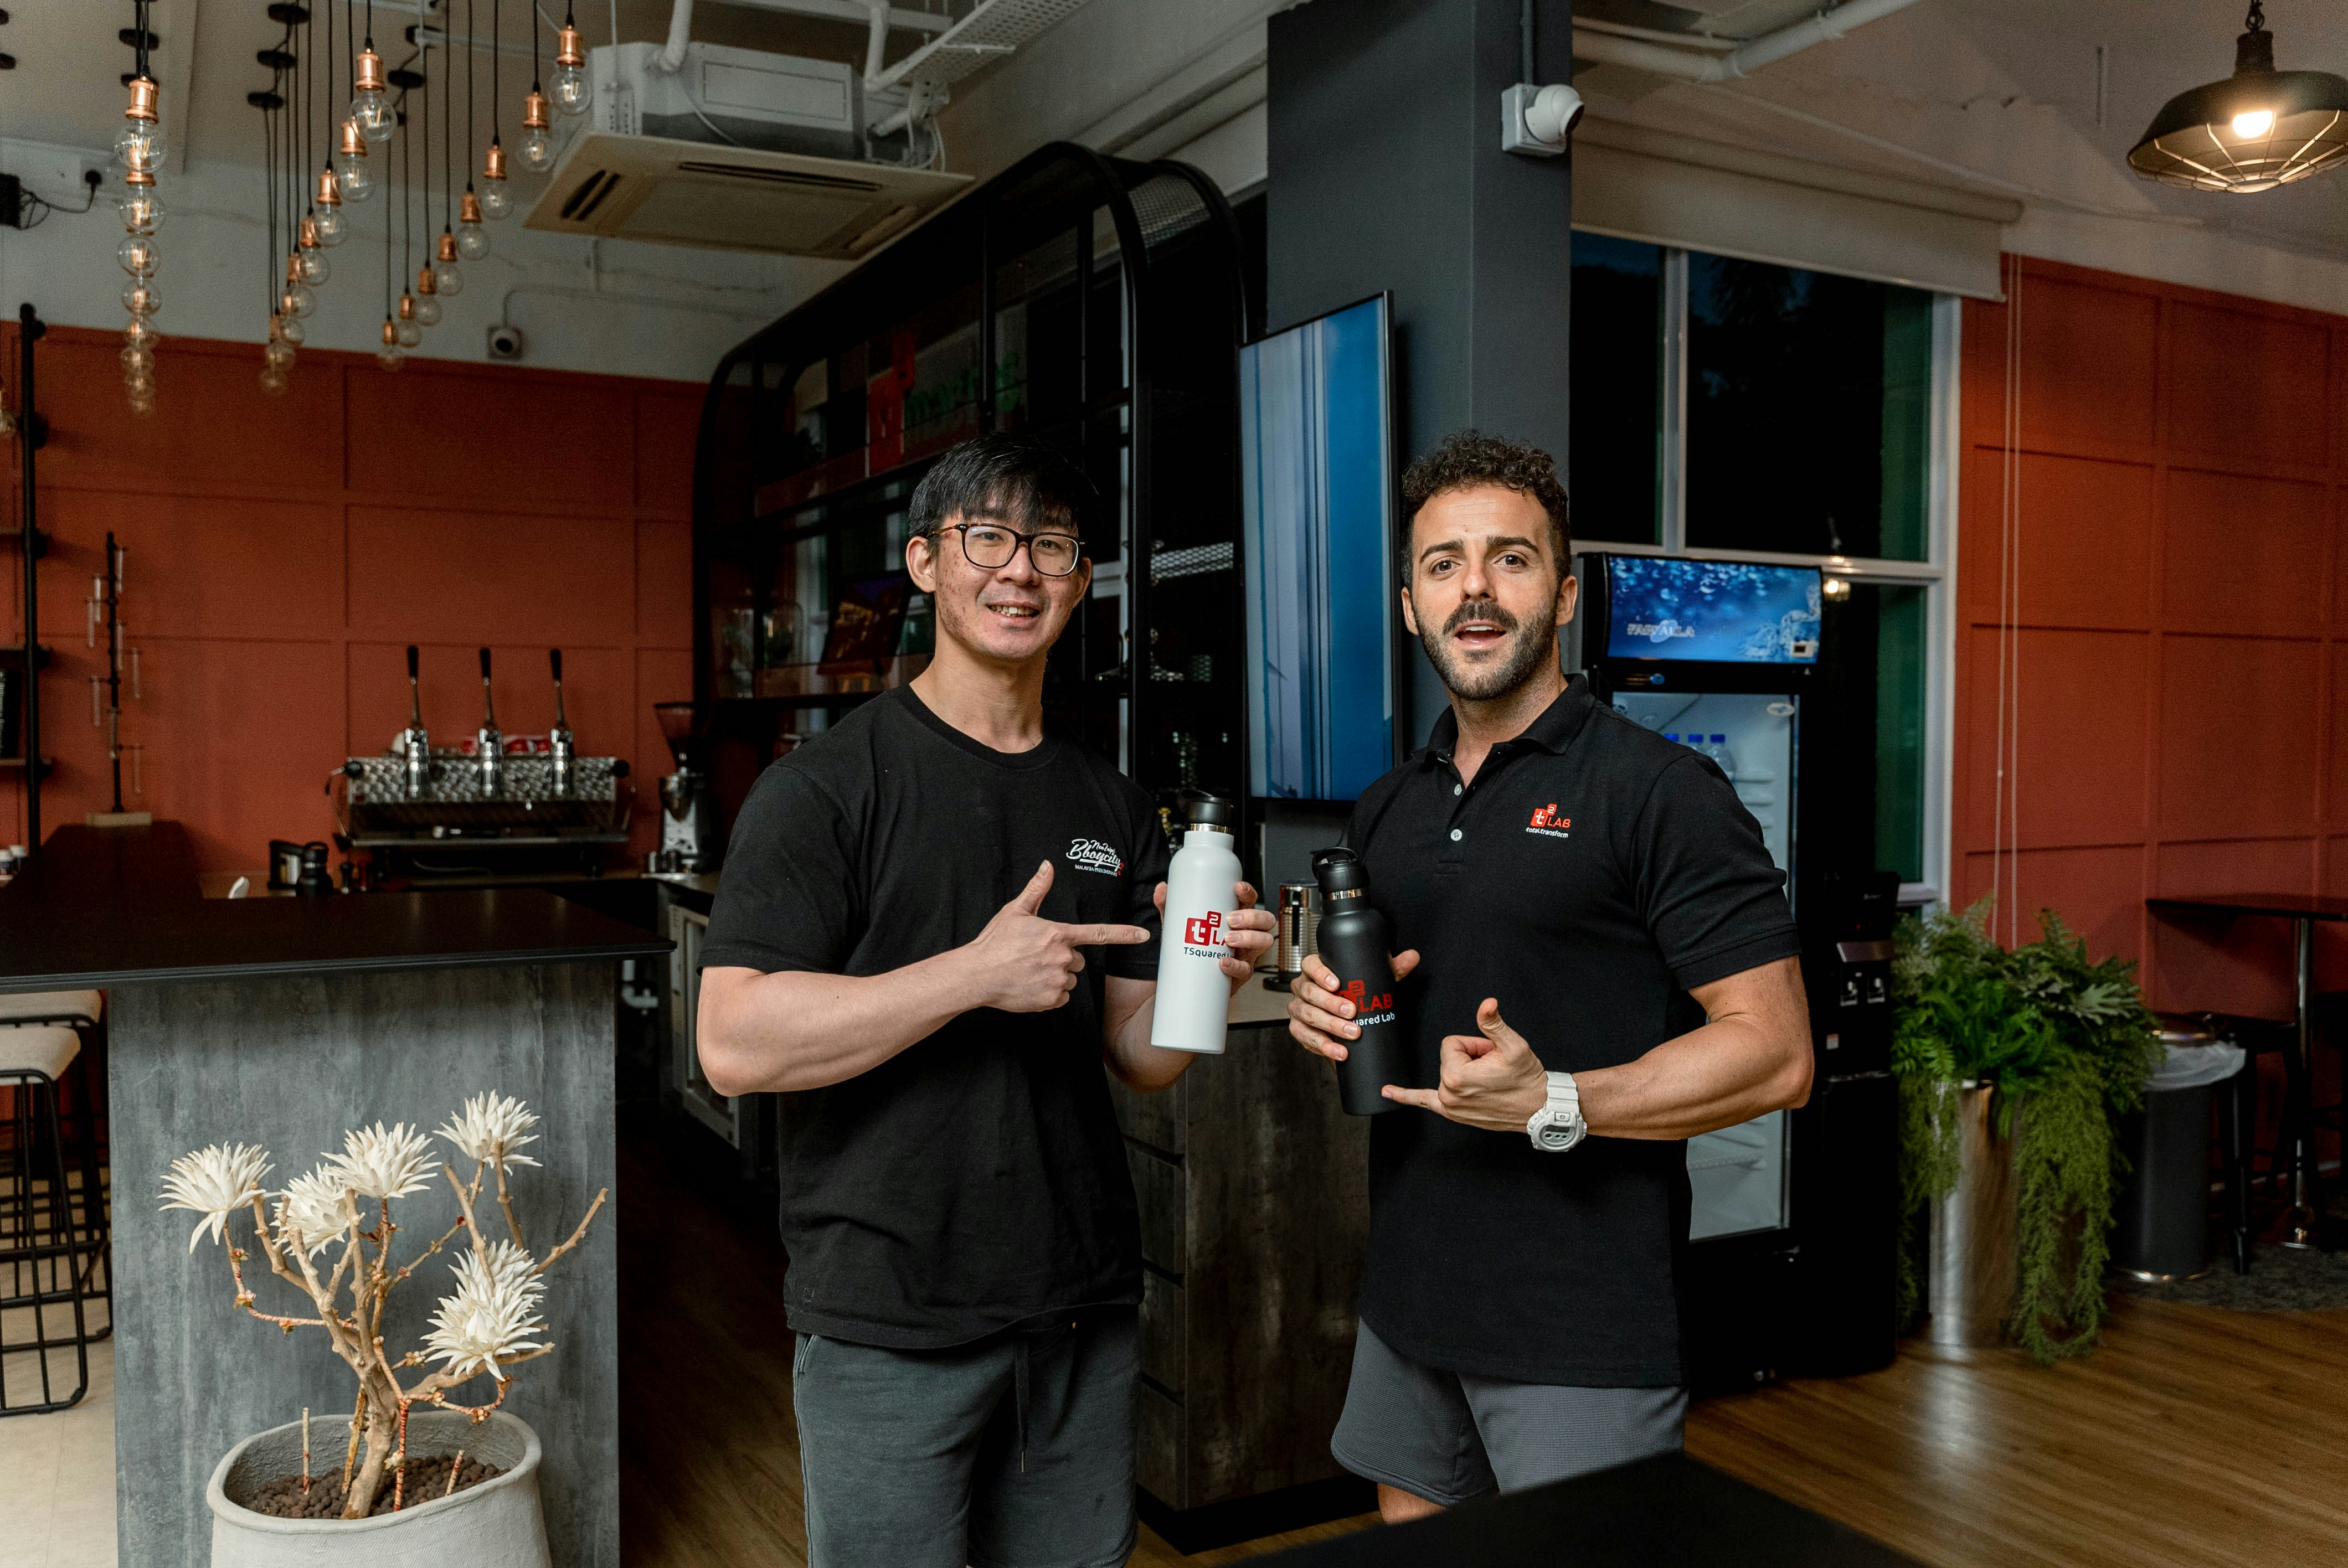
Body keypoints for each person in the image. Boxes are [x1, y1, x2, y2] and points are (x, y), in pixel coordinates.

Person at [695, 433, 1275, 1568]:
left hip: (1078, 1308)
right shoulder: (824, 789)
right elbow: (732, 1042)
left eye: (1052, 547)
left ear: (1082, 581)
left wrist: (1203, 979)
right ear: (925, 562)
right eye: (989, 539)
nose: (1020, 570)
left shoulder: (1111, 804)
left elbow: (1138, 1056)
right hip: (889, 1316)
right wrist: (974, 975)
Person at [1285, 430, 1813, 1521]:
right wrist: (1324, 1002)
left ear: (1563, 595)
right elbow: (1394, 995)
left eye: (1510, 559)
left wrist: (1553, 1100)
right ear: (1410, 606)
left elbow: (1775, 1053)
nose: (1474, 589)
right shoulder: (1390, 805)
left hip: (1580, 1329)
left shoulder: (1661, 792)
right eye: (1444, 565)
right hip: (1411, 1299)